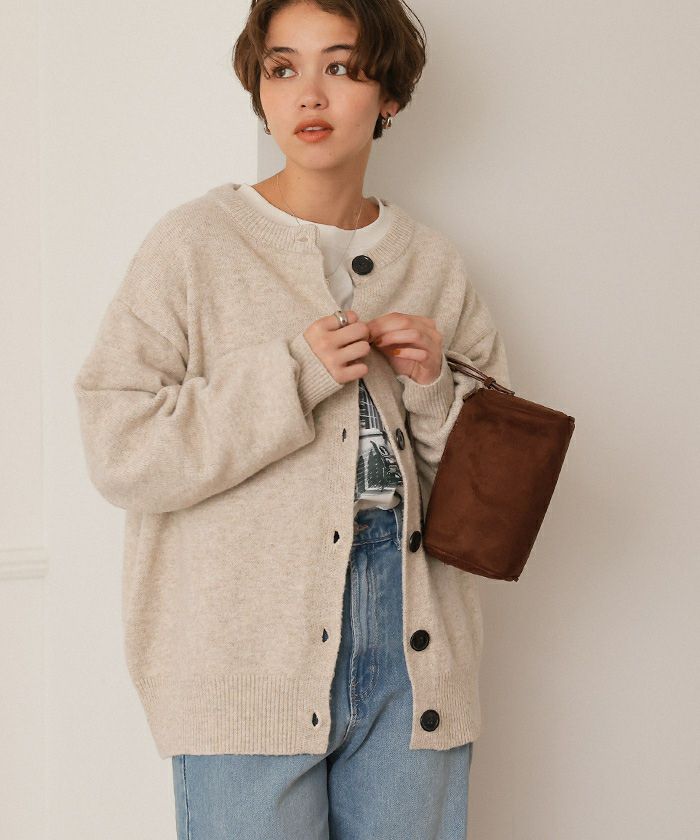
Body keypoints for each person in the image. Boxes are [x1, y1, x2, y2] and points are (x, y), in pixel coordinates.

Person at [73, 1, 511, 838]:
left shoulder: (433, 264)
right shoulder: (195, 245)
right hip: (242, 660)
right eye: (284, 68)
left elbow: (485, 503)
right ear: (261, 90)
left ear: (389, 96)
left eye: (340, 67)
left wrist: (430, 389)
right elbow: (119, 447)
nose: (310, 93)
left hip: (414, 658)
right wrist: (293, 374)